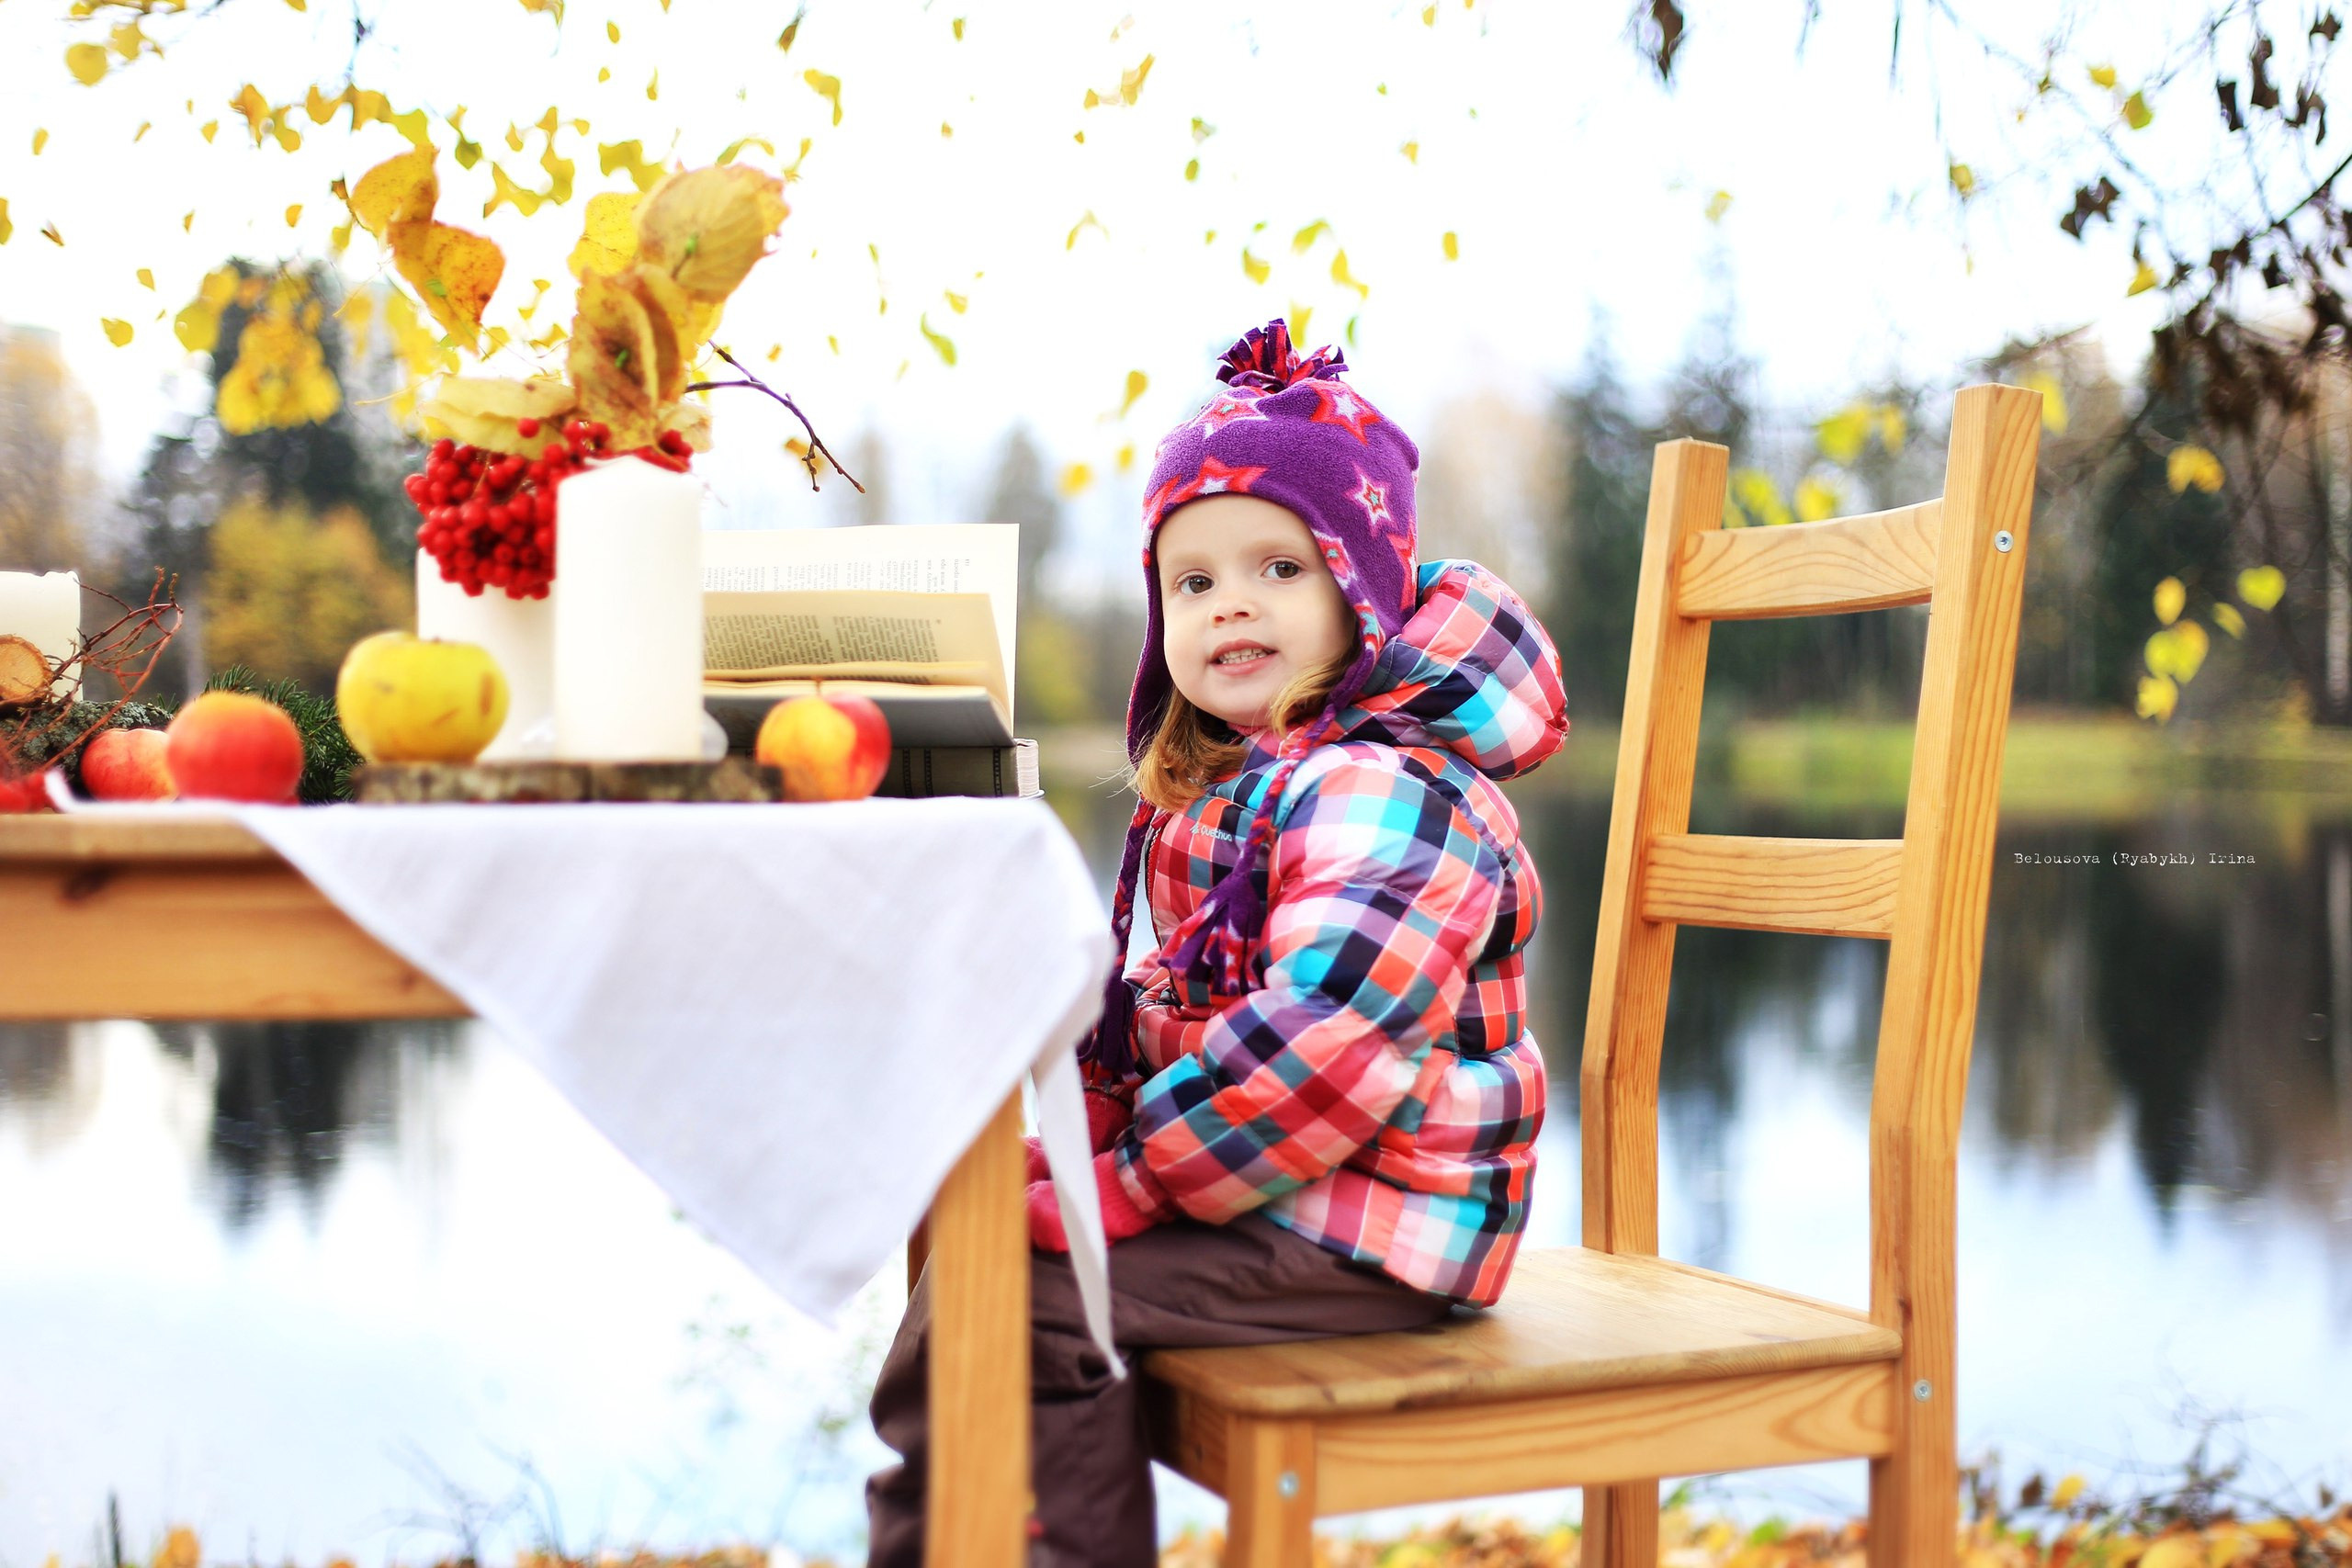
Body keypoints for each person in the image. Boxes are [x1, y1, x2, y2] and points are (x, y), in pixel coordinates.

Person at [865, 320, 1568, 1568]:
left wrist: (1129, 1183)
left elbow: (1317, 1047)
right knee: (969, 1242)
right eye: (1192, 584)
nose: (1229, 603)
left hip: (1381, 1224)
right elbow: (1176, 1000)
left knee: (1023, 1302)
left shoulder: (1384, 793)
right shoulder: (1239, 791)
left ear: (1365, 589)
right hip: (1282, 1186)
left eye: (1278, 569)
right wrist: (1090, 1099)